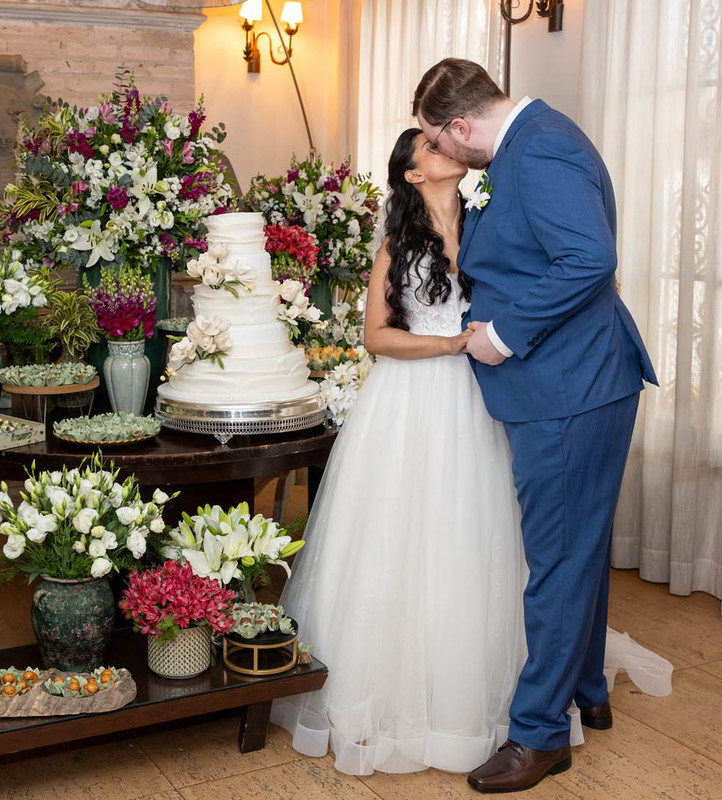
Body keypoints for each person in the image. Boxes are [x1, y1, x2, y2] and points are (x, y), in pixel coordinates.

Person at [413, 58, 659, 792]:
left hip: (568, 387)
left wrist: (505, 333)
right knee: (578, 546)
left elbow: (590, 257)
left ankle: (540, 735)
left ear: (460, 125)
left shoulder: (542, 147)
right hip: (574, 381)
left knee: (556, 558)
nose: (441, 153)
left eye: (436, 138)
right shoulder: (531, 142)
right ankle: (588, 689)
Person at [269, 128, 530, 775]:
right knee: (398, 532)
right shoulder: (397, 244)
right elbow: (375, 337)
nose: (447, 152)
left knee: (472, 534)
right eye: (432, 150)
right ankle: (386, 698)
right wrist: (449, 345)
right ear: (413, 176)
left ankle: (479, 698)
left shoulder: (488, 227)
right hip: (409, 400)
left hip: (478, 400)